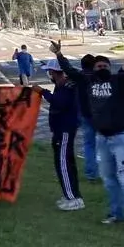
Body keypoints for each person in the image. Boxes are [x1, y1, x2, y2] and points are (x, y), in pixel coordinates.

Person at [51, 41, 124, 232]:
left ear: (110, 68)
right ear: (93, 69)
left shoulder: (120, 81)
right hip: (102, 137)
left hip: (122, 137)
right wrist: (59, 54)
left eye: (105, 66)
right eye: (98, 66)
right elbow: (70, 69)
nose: (101, 68)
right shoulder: (88, 82)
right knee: (109, 179)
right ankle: (116, 213)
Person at [35, 60, 84, 211]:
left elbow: (59, 102)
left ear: (56, 72)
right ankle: (72, 194)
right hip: (60, 129)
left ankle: (72, 198)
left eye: (50, 71)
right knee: (65, 163)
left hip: (64, 129)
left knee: (63, 163)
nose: (49, 75)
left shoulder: (67, 86)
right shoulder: (63, 85)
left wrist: (42, 92)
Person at [76, 54, 100, 181]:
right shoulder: (99, 77)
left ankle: (91, 174)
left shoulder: (79, 77)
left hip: (84, 114)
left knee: (89, 145)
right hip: (99, 114)